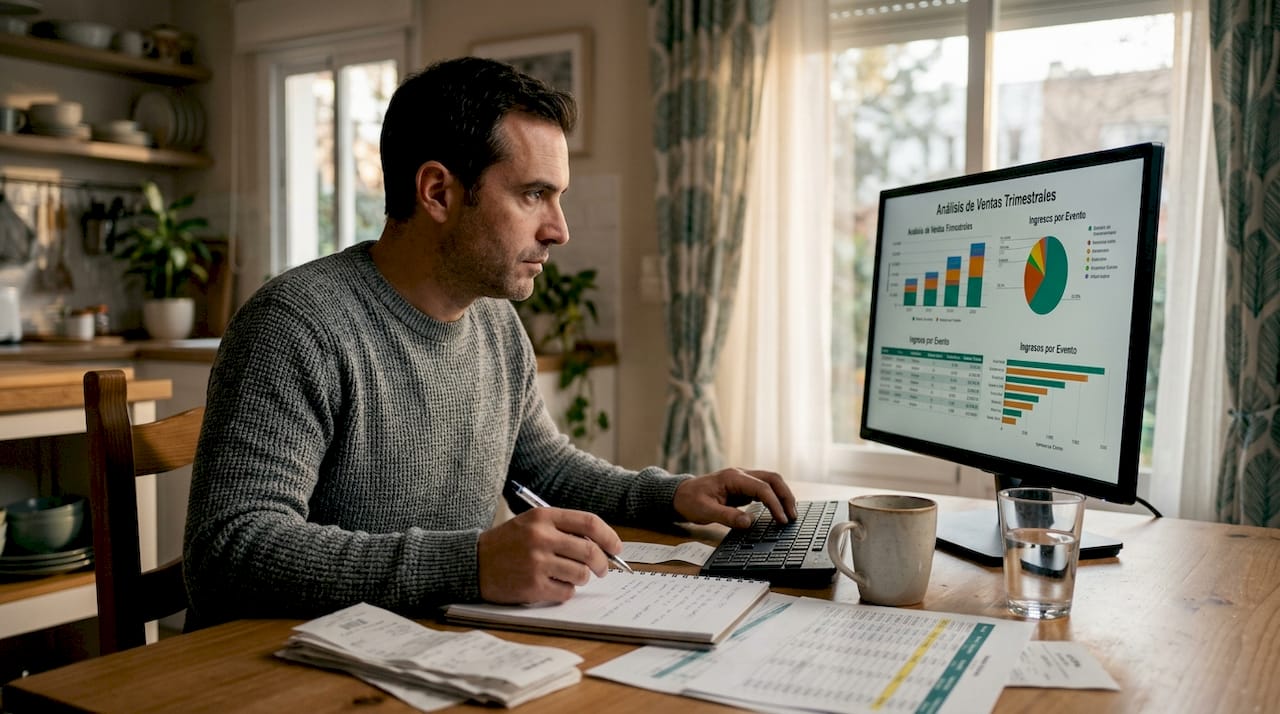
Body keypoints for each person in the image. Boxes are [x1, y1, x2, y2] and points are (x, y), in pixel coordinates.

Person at [182, 56, 796, 629]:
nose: (559, 229)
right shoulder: (298, 322)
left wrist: (674, 493)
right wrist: (469, 565)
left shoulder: (494, 322)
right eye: (534, 195)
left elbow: (545, 467)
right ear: (438, 192)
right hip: (283, 674)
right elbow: (230, 549)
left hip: (431, 650)